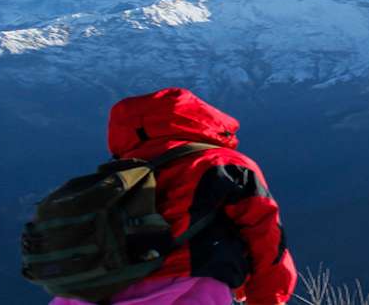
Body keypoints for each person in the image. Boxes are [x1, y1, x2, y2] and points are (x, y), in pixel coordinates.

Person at [49, 87, 297, 305]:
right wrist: (268, 298)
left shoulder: (118, 174)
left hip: (89, 291)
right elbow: (265, 235)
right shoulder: (224, 164)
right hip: (188, 291)